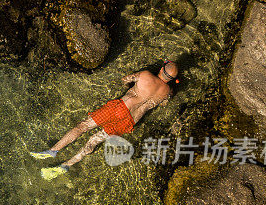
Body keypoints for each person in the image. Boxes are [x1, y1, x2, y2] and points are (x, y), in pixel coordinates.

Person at [31, 60, 179, 179]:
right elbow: (163, 102)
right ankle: (66, 165)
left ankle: (53, 151)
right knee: (94, 141)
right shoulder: (167, 92)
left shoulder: (146, 75)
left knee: (83, 126)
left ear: (161, 69)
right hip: (130, 122)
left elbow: (125, 80)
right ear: (172, 79)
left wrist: (131, 87)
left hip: (119, 108)